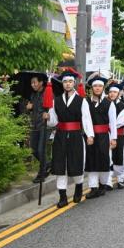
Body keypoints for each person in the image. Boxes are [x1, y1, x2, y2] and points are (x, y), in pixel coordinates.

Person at [45, 70, 94, 208]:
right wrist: (48, 118)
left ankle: (78, 188)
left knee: (76, 163)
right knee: (60, 166)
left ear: (74, 83)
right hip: (60, 136)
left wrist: (90, 135)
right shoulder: (56, 100)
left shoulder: (81, 100)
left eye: (70, 81)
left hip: (76, 136)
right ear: (62, 84)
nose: (67, 84)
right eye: (65, 82)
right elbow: (54, 121)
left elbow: (86, 119)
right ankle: (62, 197)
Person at [85, 77, 117, 199]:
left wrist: (114, 138)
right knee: (91, 160)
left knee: (104, 159)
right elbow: (86, 120)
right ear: (92, 88)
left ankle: (103, 185)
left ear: (103, 88)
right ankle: (93, 187)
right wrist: (89, 134)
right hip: (91, 136)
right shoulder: (86, 102)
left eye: (99, 86)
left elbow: (113, 123)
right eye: (95, 86)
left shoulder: (109, 103)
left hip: (104, 136)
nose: (97, 88)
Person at [26, 74, 49, 183]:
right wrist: (29, 108)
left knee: (41, 150)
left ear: (41, 82)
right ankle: (47, 164)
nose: (32, 84)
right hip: (34, 125)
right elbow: (32, 110)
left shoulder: (48, 93)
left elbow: (52, 109)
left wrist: (48, 113)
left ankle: (42, 173)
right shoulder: (33, 95)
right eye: (31, 83)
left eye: (34, 82)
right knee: (33, 149)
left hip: (44, 125)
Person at [109, 83, 124, 189]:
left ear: (119, 93)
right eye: (111, 92)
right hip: (106, 134)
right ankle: (108, 181)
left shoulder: (122, 106)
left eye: (115, 92)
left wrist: (108, 126)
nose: (112, 94)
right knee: (108, 157)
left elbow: (119, 122)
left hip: (118, 134)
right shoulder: (105, 104)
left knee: (119, 156)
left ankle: (120, 179)